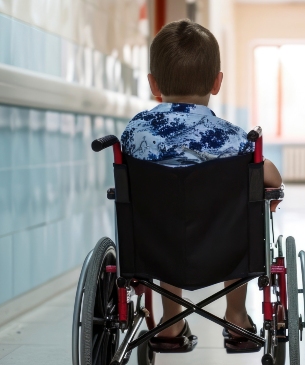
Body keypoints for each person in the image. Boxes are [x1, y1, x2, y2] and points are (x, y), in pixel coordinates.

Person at [119, 19, 282, 353]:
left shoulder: (134, 133)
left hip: (157, 246)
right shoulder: (233, 139)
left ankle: (170, 320)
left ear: (153, 83)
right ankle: (236, 316)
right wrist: (271, 182)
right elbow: (271, 179)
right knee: (237, 216)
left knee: (166, 219)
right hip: (222, 249)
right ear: (217, 82)